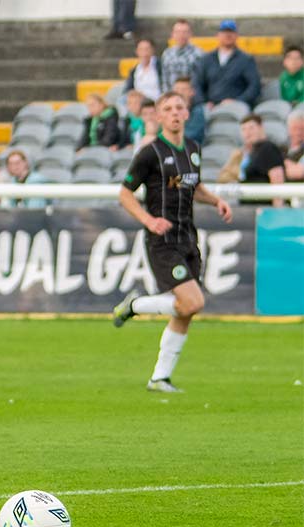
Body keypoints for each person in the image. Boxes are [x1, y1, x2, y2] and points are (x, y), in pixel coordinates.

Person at [113, 91, 232, 393]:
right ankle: (135, 305)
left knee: (186, 310)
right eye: (168, 108)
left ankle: (159, 377)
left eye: (180, 107)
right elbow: (125, 194)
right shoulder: (150, 152)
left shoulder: (193, 148)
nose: (175, 113)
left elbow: (194, 185)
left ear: (187, 113)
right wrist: (149, 220)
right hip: (162, 241)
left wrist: (215, 199)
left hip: (188, 238)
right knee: (193, 301)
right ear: (160, 116)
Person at [193, 20, 261, 110]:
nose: (228, 35)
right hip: (210, 108)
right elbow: (197, 84)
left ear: (236, 36)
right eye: (224, 32)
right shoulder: (206, 59)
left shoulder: (246, 60)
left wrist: (238, 101)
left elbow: (254, 86)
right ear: (218, 35)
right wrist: (204, 103)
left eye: (231, 32)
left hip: (236, 109)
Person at [238, 114, 286, 207]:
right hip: (250, 207)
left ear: (261, 127)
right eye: (243, 129)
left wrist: (277, 212)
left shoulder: (268, 148)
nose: (247, 133)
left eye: (251, 128)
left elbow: (277, 180)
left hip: (264, 209)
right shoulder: (251, 152)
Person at [160, 19, 203, 92]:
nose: (181, 35)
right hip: (171, 97)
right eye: (178, 32)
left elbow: (201, 80)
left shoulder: (199, 54)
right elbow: (164, 79)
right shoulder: (167, 54)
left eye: (185, 32)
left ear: (190, 34)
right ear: (172, 34)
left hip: (192, 98)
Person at [172, 77, 205, 144]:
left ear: (192, 92)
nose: (179, 92)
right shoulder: (168, 110)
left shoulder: (198, 111)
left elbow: (191, 135)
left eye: (184, 89)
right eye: (177, 89)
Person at [284, 111, 304, 182]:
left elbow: (298, 173)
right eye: (295, 128)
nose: (298, 132)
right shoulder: (281, 147)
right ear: (288, 129)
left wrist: (283, 163)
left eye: (302, 129)